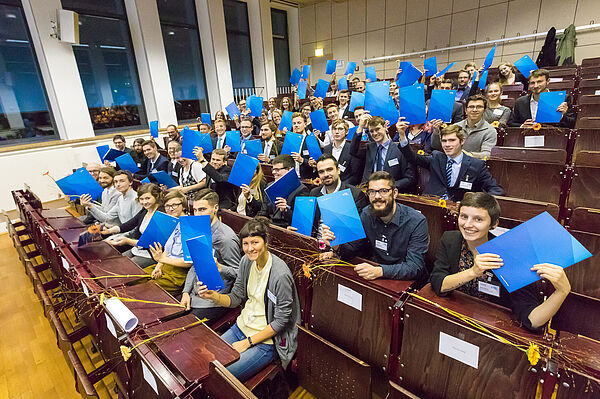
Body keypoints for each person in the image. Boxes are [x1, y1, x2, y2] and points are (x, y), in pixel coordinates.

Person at [429, 192, 571, 330]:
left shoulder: (508, 255)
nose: (467, 224)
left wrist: (562, 291)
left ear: (494, 224)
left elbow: (531, 320)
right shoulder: (450, 239)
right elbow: (437, 283)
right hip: (453, 314)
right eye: (463, 216)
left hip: (491, 326)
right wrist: (473, 272)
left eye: (478, 219)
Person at [197, 217, 301, 381]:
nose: (250, 248)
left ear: (266, 242)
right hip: (241, 327)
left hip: (265, 342)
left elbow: (281, 321)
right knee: (205, 359)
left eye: (255, 242)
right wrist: (214, 297)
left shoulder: (280, 274)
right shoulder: (246, 261)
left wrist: (248, 342)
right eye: (246, 243)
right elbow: (236, 297)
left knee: (221, 376)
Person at [321, 171, 429, 281]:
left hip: (406, 282)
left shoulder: (416, 221)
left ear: (395, 193)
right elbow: (354, 248)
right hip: (375, 276)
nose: (377, 196)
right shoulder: (366, 214)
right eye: (372, 192)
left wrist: (380, 271)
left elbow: (415, 267)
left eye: (383, 191)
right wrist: (337, 247)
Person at [397, 122, 504, 201]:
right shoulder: (436, 157)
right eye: (444, 141)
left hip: (459, 209)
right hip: (432, 204)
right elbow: (412, 158)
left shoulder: (476, 165)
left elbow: (495, 190)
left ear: (462, 141)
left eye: (452, 140)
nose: (447, 145)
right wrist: (402, 135)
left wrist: (478, 205)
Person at [181, 189, 241, 321]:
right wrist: (186, 292)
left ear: (215, 208)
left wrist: (220, 268)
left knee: (186, 332)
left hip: (213, 299)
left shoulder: (226, 238)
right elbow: (194, 265)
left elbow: (239, 274)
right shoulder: (197, 229)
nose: (197, 215)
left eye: (202, 209)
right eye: (195, 210)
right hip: (194, 293)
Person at [102, 183, 164, 268]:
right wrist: (109, 231)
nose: (144, 202)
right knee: (113, 263)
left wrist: (127, 241)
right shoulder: (145, 210)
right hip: (138, 249)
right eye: (141, 199)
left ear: (156, 197)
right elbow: (130, 224)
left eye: (147, 198)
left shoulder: (161, 214)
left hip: (151, 254)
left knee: (122, 268)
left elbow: (150, 243)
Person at [308, 154, 369, 236]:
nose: (326, 174)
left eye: (329, 169)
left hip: (341, 246)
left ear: (338, 170)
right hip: (316, 243)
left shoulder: (354, 195)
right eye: (321, 172)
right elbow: (310, 224)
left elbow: (357, 234)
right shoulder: (314, 193)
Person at [352, 115, 415, 192]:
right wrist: (360, 127)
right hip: (368, 191)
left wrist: (388, 187)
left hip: (389, 193)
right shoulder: (369, 148)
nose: (375, 133)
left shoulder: (400, 149)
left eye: (377, 129)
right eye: (371, 131)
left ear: (385, 127)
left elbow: (409, 178)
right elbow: (353, 151)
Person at [145, 191, 190, 296]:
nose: (170, 208)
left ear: (183, 206)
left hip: (179, 273)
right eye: (167, 206)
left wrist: (162, 260)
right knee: (135, 277)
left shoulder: (191, 226)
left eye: (174, 205)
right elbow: (167, 250)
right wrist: (158, 266)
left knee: (146, 289)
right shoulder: (170, 222)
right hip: (165, 264)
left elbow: (189, 262)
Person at [431, 95, 498, 159]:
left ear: (484, 110)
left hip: (474, 166)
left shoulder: (490, 131)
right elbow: (437, 146)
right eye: (471, 107)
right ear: (466, 110)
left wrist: (468, 155)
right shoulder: (456, 126)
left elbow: (487, 154)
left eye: (479, 107)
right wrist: (436, 131)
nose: (474, 110)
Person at [507, 69, 575, 129]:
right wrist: (522, 126)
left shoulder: (562, 98)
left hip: (552, 138)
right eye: (532, 83)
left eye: (539, 82)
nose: (536, 86)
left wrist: (561, 117)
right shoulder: (520, 102)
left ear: (548, 81)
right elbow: (511, 123)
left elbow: (572, 124)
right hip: (525, 138)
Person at [264, 154, 309, 228]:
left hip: (286, 228)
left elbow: (300, 221)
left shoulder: (301, 190)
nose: (273, 172)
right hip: (269, 226)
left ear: (290, 169)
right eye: (273, 169)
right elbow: (264, 212)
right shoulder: (270, 186)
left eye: (277, 169)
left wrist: (286, 209)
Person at [323, 119, 362, 185]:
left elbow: (355, 176)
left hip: (345, 187)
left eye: (340, 129)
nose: (337, 132)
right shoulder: (327, 149)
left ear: (346, 132)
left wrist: (340, 186)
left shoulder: (352, 148)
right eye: (334, 129)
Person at [290, 112, 318, 179]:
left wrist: (302, 160)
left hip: (306, 178)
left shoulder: (312, 140)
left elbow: (316, 163)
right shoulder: (290, 140)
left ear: (305, 124)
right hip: (292, 177)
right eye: (294, 123)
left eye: (299, 123)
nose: (296, 125)